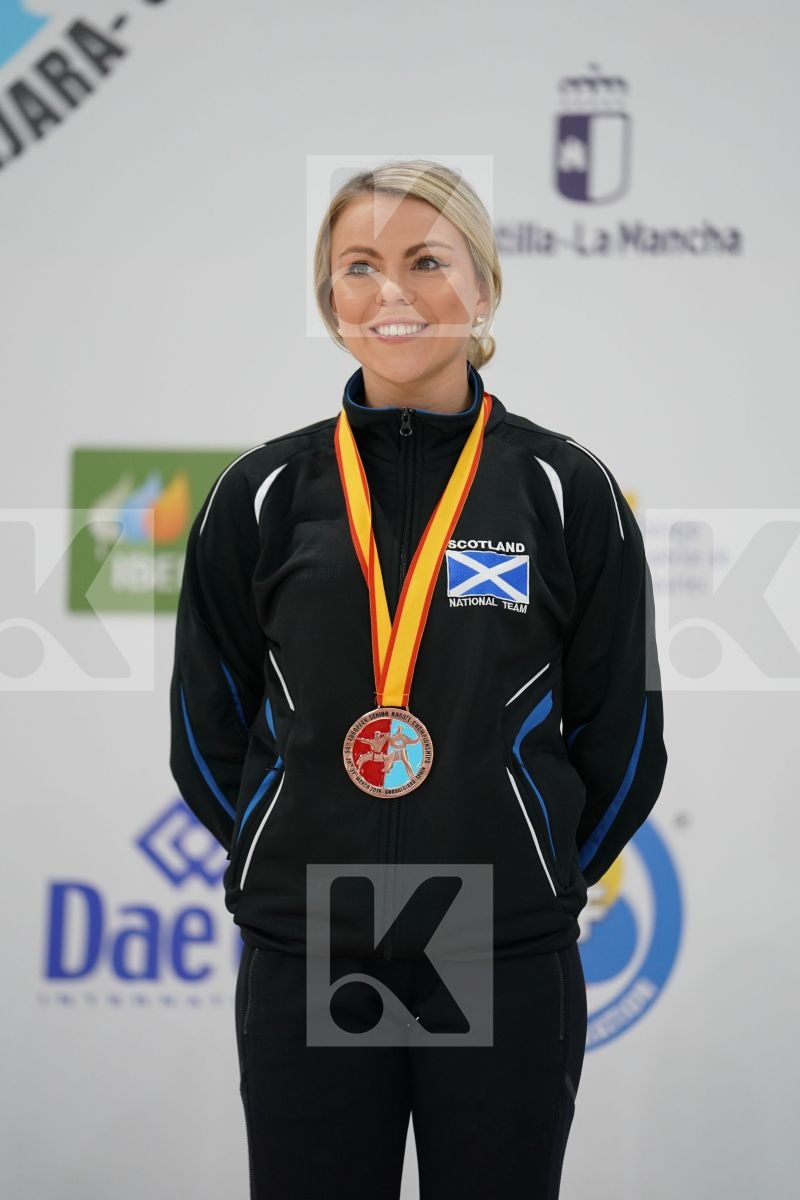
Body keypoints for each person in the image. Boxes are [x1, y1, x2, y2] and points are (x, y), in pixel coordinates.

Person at [169, 158, 668, 1199]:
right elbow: (202, 721)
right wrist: (289, 840)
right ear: (328, 300)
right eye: (358, 266)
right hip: (312, 945)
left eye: (425, 261)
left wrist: (520, 869)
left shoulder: (561, 490)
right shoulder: (258, 494)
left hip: (499, 948)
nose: (390, 293)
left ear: (481, 288)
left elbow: (623, 736)